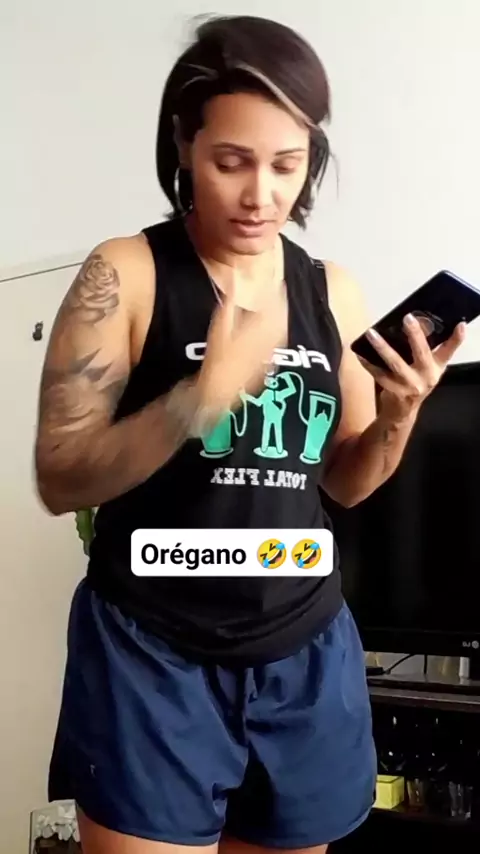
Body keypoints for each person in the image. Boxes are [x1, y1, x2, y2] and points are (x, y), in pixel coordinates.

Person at [34, 14, 465, 854]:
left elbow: (346, 482)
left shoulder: (331, 290)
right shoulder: (124, 272)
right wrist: (197, 400)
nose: (261, 194)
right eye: (231, 162)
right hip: (151, 653)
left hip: (303, 649)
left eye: (286, 164)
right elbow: (60, 478)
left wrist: (400, 415)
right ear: (184, 146)